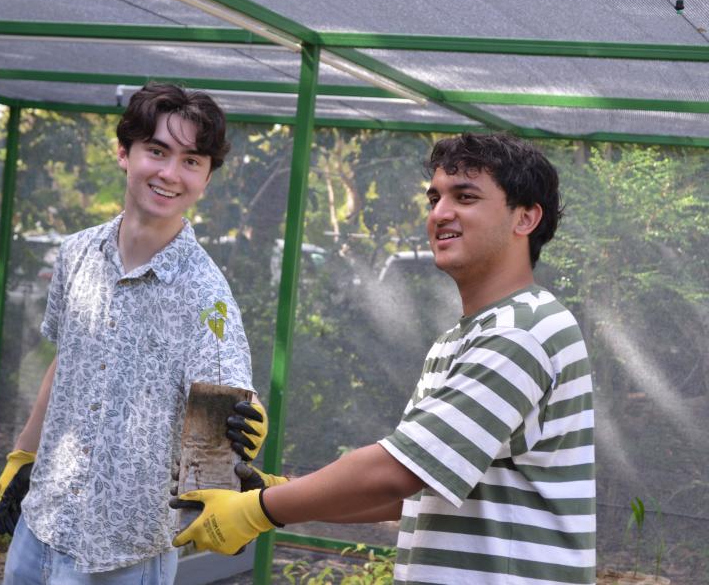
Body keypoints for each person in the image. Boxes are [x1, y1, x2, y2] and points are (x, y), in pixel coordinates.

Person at [173, 133, 596, 585]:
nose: (440, 213)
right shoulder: (460, 338)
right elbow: (419, 489)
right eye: (434, 198)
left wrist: (258, 510)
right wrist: (282, 493)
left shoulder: (520, 330)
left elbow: (397, 472)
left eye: (466, 197)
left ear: (525, 218)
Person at [0, 82, 269, 584]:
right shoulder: (76, 254)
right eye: (157, 151)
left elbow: (221, 415)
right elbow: (67, 360)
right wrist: (24, 454)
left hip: (123, 555)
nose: (169, 173)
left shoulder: (207, 295)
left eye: (191, 161)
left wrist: (237, 451)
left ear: (206, 178)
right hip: (41, 526)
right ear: (124, 152)